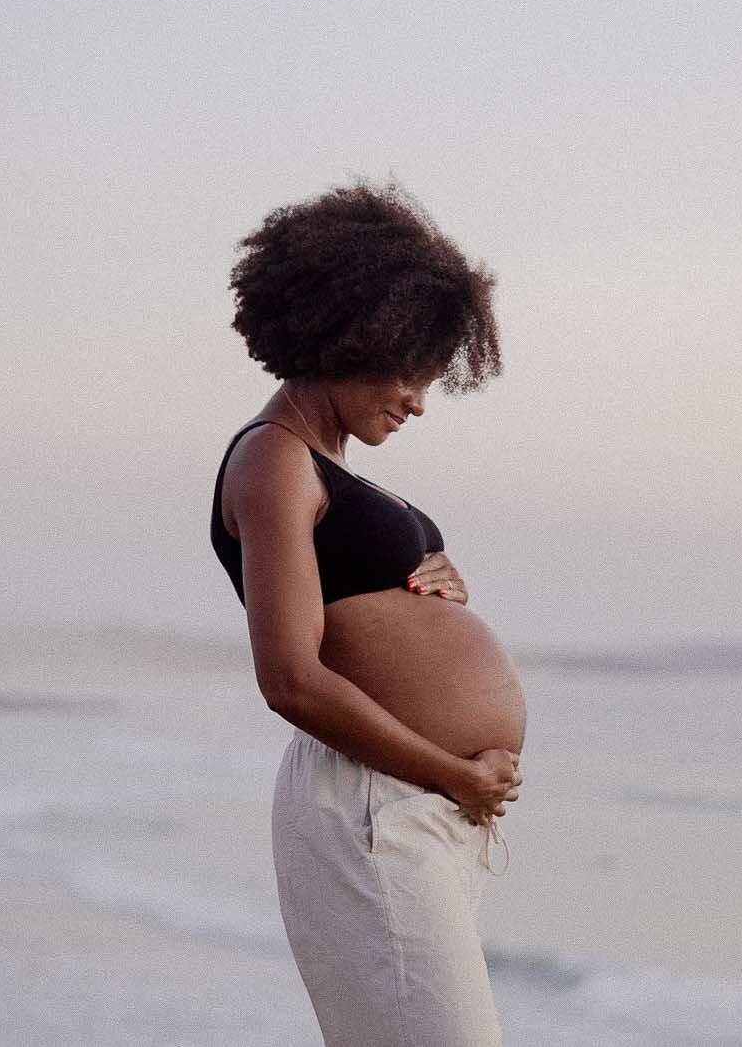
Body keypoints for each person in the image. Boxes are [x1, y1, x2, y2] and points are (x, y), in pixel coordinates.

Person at [210, 175, 525, 1047]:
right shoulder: (274, 460)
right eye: (409, 373)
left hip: (411, 809)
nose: (420, 401)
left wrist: (439, 595)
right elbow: (290, 677)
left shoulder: (332, 465)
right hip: (374, 806)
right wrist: (454, 771)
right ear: (350, 335)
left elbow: (370, 613)